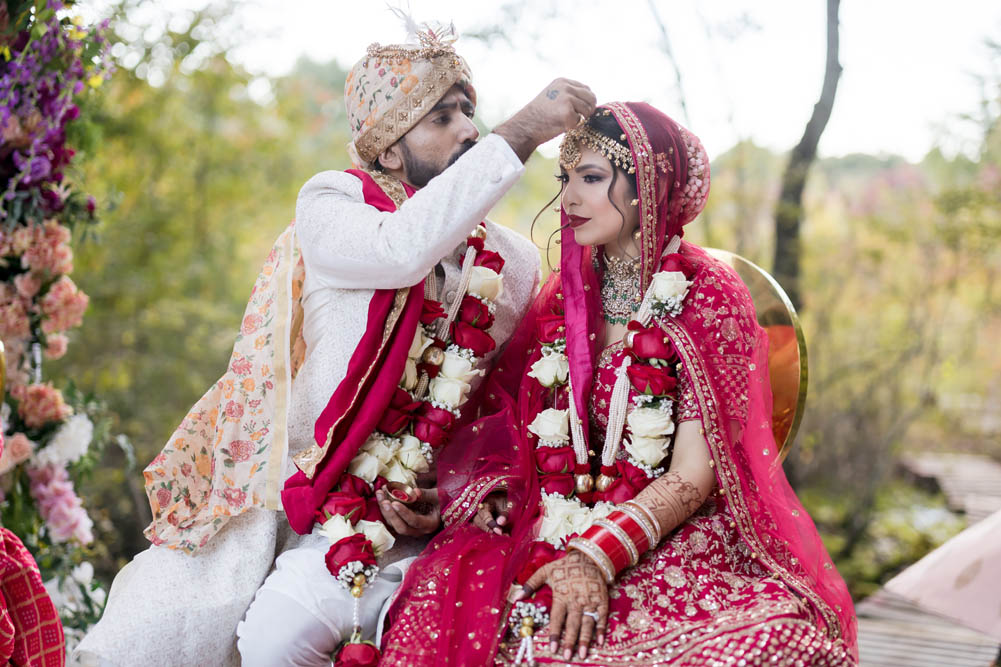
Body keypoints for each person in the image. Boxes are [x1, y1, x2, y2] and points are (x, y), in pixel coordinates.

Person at [75, 23, 596, 666]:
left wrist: (450, 492)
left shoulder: (513, 264)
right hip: (302, 508)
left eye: (470, 111)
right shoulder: (334, 204)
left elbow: (496, 414)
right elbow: (400, 251)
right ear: (389, 151)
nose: (469, 129)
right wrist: (521, 130)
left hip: (423, 531)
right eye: (442, 116)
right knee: (212, 640)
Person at [379, 102, 860, 665]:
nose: (570, 199)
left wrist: (595, 555)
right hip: (553, 523)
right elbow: (528, 443)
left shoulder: (709, 295)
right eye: (566, 179)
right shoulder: (563, 297)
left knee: (778, 642)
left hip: (670, 533)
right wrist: (468, 499)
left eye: (591, 178)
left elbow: (693, 474)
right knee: (453, 628)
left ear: (645, 187)